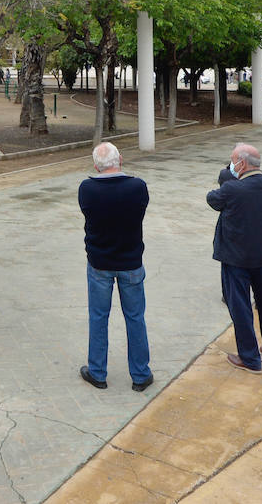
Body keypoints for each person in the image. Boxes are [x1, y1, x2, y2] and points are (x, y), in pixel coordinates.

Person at [77, 142, 153, 388]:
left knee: (98, 317)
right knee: (135, 318)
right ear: (120, 159)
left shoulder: (87, 189)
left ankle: (98, 372)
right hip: (131, 262)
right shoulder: (138, 187)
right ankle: (140, 375)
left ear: (95, 166)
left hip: (99, 262)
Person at [205, 142, 262, 374]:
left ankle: (249, 358)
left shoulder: (232, 189)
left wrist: (227, 178)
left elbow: (213, 199)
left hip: (237, 257)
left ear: (241, 163)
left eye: (233, 161)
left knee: (240, 305)